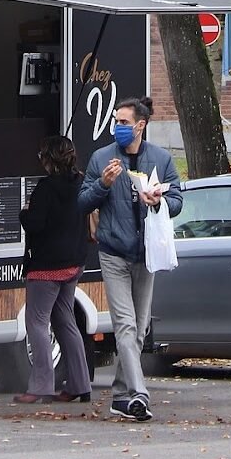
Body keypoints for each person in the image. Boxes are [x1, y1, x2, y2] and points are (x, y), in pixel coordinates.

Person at [77, 96, 181, 421]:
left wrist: (158, 202)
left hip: (146, 253)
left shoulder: (159, 159)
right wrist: (104, 185)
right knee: (124, 325)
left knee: (139, 329)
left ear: (141, 125)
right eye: (116, 121)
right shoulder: (102, 158)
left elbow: (177, 199)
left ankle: (121, 396)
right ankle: (139, 394)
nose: (118, 127)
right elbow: (82, 202)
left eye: (123, 122)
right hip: (113, 251)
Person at [12, 135, 92, 405]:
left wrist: (24, 212)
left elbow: (34, 224)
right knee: (65, 320)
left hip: (46, 267)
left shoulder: (46, 189)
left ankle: (40, 386)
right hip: (74, 263)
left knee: (36, 322)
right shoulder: (81, 183)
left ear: (49, 160)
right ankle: (81, 384)